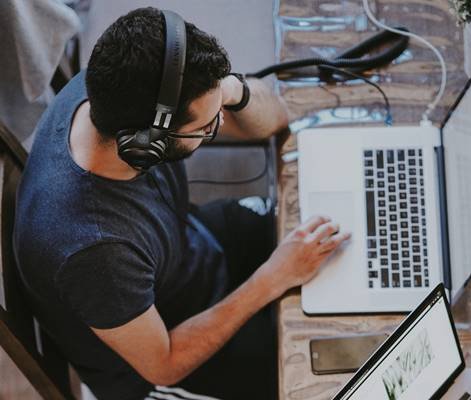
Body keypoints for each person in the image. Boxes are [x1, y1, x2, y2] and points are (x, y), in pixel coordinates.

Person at [13, 7, 350, 400]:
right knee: (335, 367)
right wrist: (272, 279)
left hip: (190, 251)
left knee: (339, 238)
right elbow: (165, 363)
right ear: (144, 146)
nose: (219, 126)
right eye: (205, 128)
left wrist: (228, 90)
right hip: (169, 358)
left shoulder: (114, 87)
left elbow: (276, 118)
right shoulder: (94, 251)